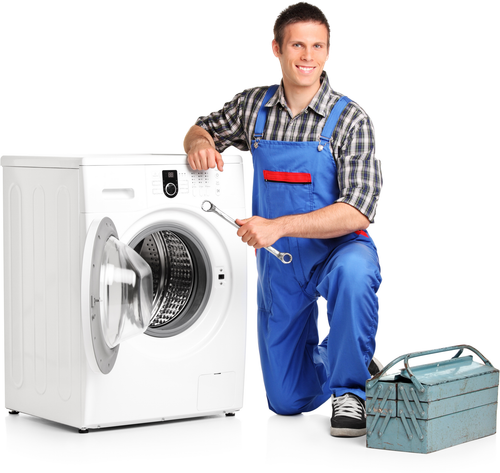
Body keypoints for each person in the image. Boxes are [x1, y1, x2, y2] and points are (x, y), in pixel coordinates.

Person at [184, 2, 382, 438]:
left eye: (318, 46)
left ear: (328, 52)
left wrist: (279, 224)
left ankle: (351, 391)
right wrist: (198, 143)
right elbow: (203, 127)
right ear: (276, 48)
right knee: (286, 402)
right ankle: (348, 354)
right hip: (280, 263)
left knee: (355, 274)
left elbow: (358, 208)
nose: (307, 56)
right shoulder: (253, 106)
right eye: (297, 44)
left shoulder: (351, 119)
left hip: (338, 250)